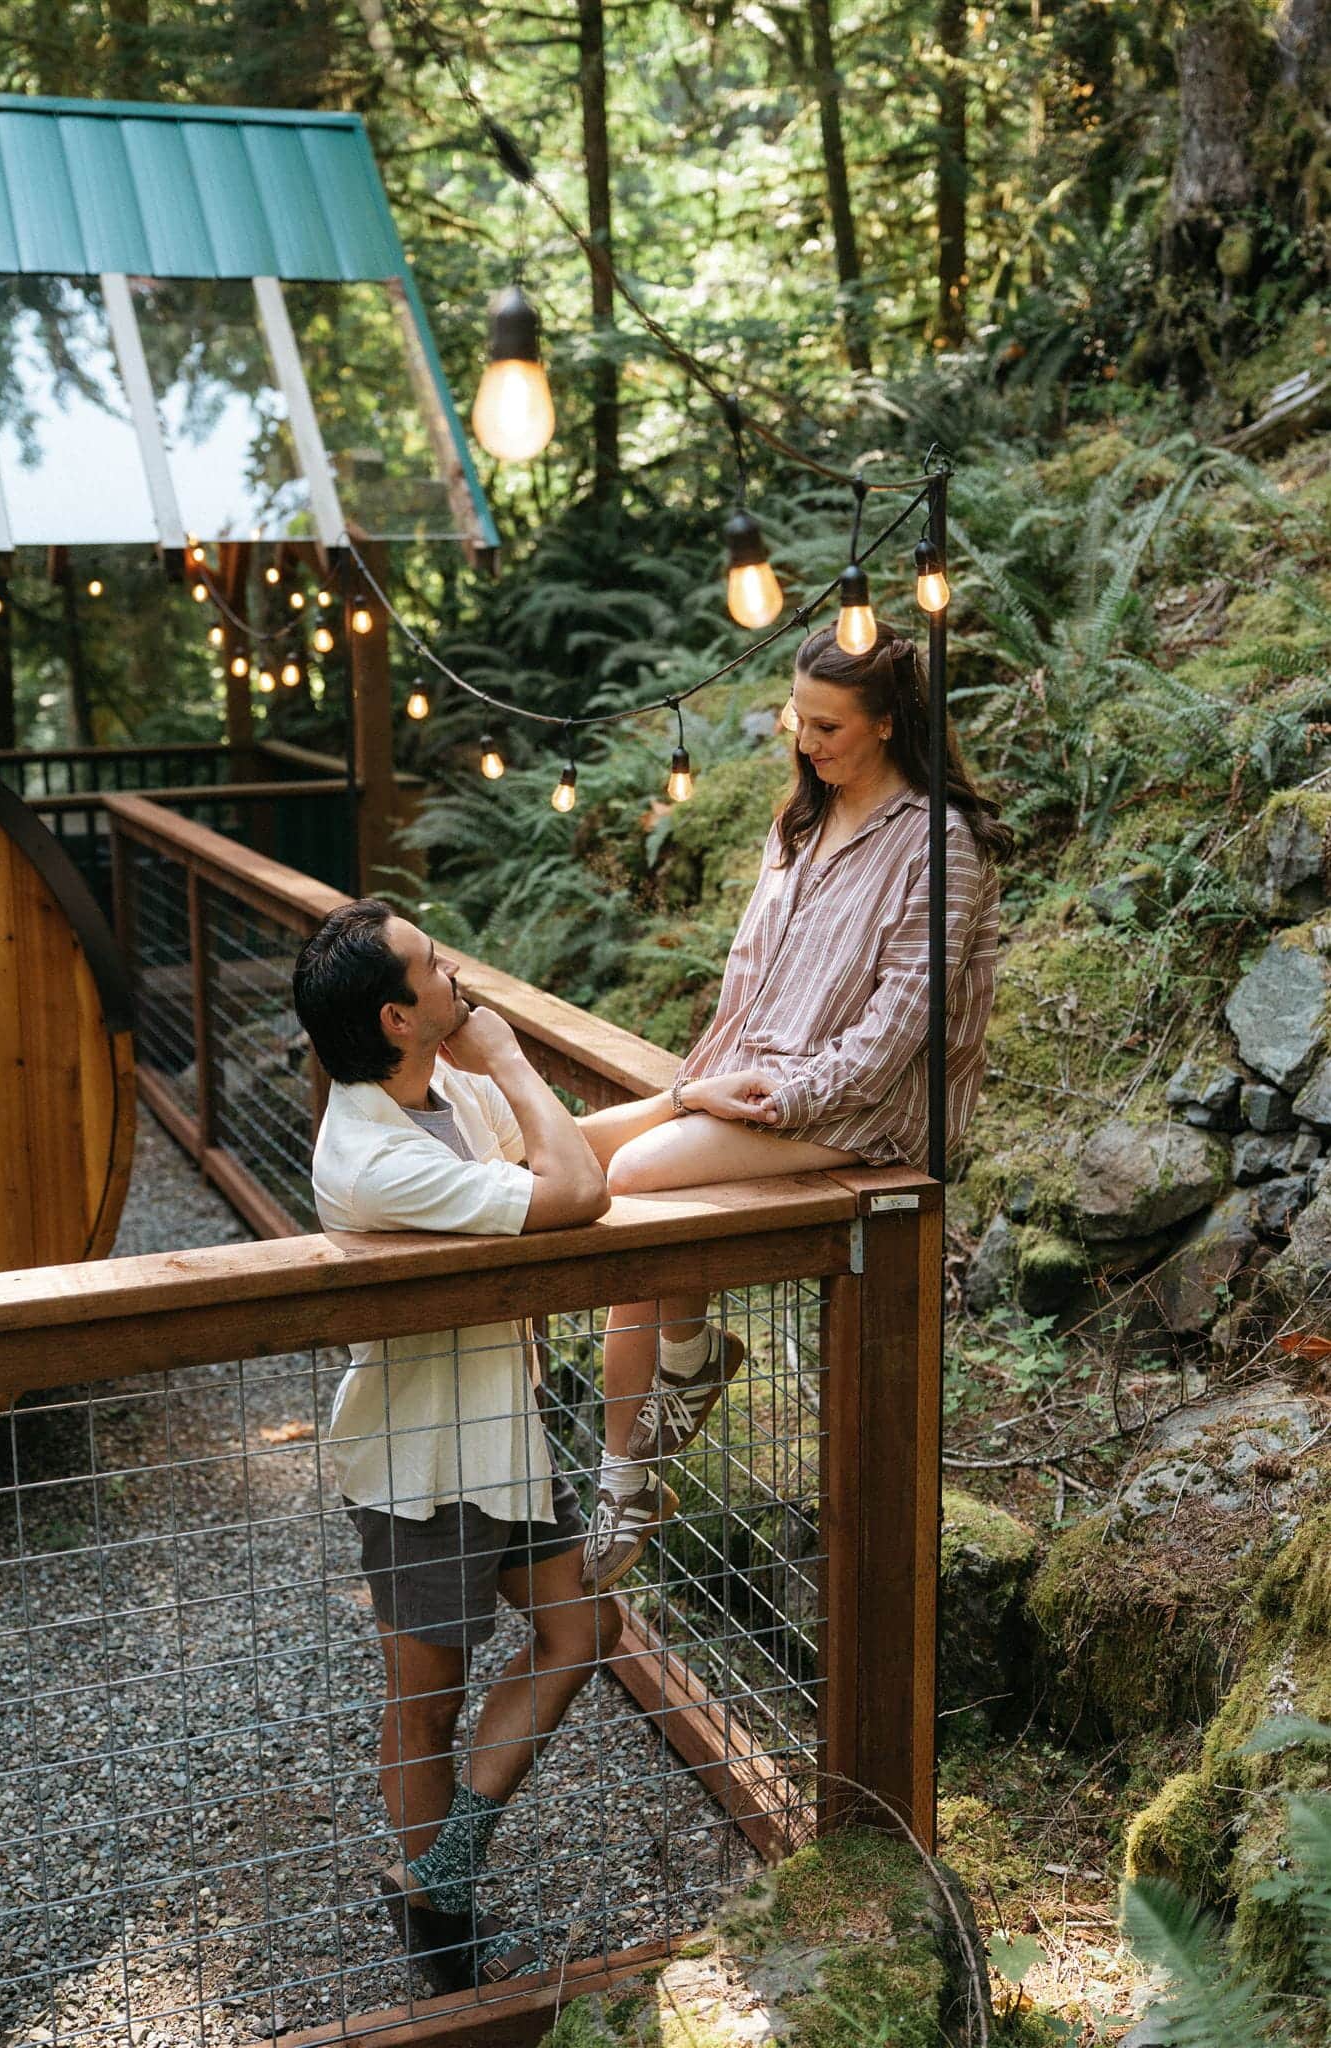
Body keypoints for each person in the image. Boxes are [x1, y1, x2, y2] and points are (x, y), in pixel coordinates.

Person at [576, 625, 1012, 1590]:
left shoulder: (941, 846)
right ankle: (639, 1450)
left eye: (828, 726)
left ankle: (661, 1410)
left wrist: (778, 1099)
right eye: (796, 719)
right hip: (765, 1081)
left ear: (890, 726)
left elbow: (904, 1026)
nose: (805, 743)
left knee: (632, 1175)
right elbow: (747, 979)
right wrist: (712, 1081)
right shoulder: (798, 824)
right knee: (594, 1171)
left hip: (870, 1110)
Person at [292, 899, 618, 1995]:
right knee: (425, 1697)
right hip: (421, 1459)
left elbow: (563, 1151)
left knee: (580, 1627)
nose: (454, 971)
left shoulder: (437, 1092)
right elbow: (574, 1191)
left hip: (503, 1432)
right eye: (434, 965)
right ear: (400, 1016)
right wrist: (513, 1051)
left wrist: (694, 1099)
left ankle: (442, 1867)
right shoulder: (372, 1155)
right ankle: (442, 1929)